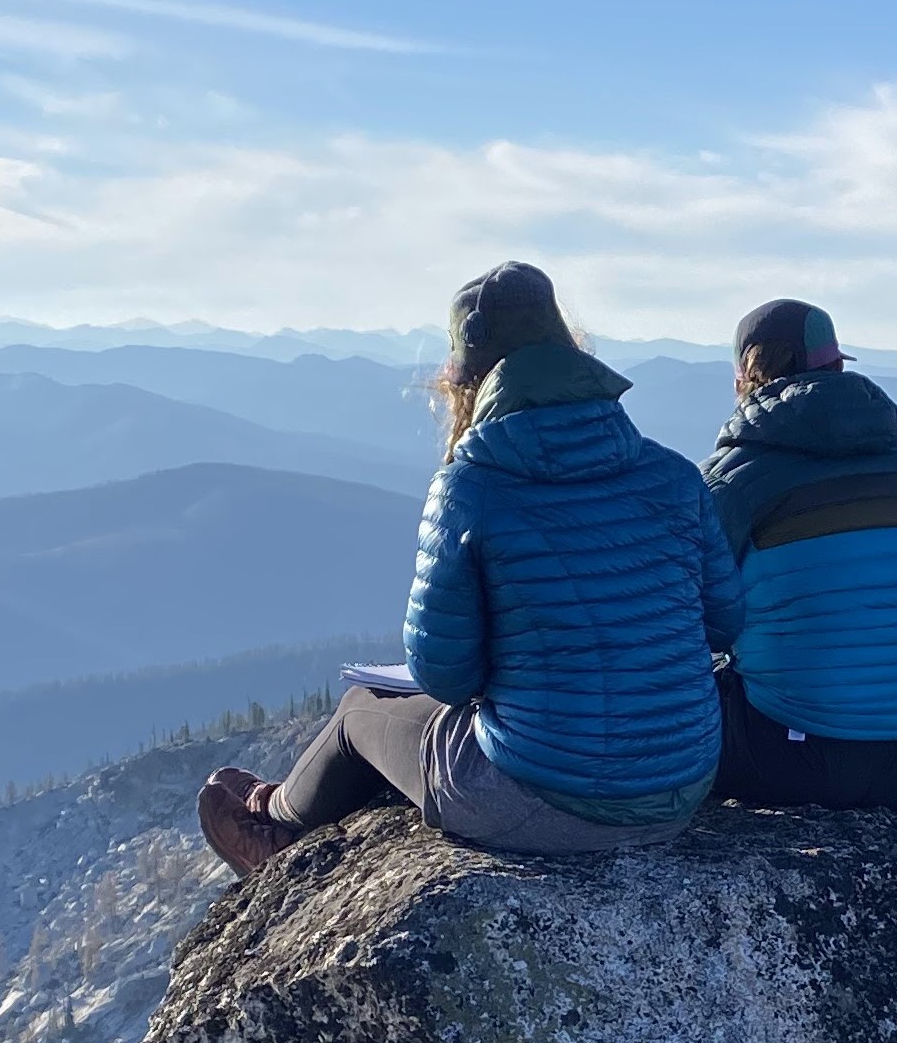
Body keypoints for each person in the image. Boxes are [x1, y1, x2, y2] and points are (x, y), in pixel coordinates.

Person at [200, 261, 738, 874]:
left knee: (358, 713)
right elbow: (723, 622)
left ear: (467, 381)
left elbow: (445, 676)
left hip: (546, 801)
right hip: (686, 780)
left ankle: (272, 829)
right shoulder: (671, 473)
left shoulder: (472, 485)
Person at [701, 298, 897, 808]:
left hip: (799, 759)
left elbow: (684, 614)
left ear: (746, 378)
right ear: (838, 367)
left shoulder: (732, 479)